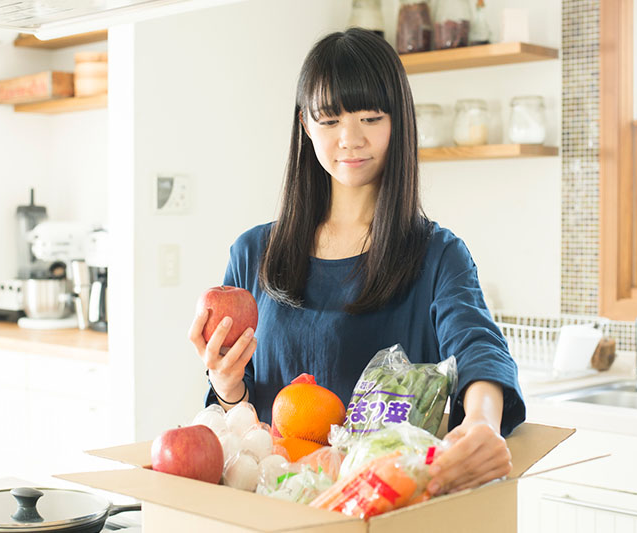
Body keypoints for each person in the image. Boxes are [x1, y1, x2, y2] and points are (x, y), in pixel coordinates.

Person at [188, 28, 525, 496]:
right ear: (305, 125)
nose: (350, 139)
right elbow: (238, 420)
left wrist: (482, 423)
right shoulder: (252, 255)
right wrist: (226, 386)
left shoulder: (437, 255)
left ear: (399, 122)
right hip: (272, 510)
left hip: (384, 506)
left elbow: (479, 348)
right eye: (329, 121)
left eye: (370, 117)